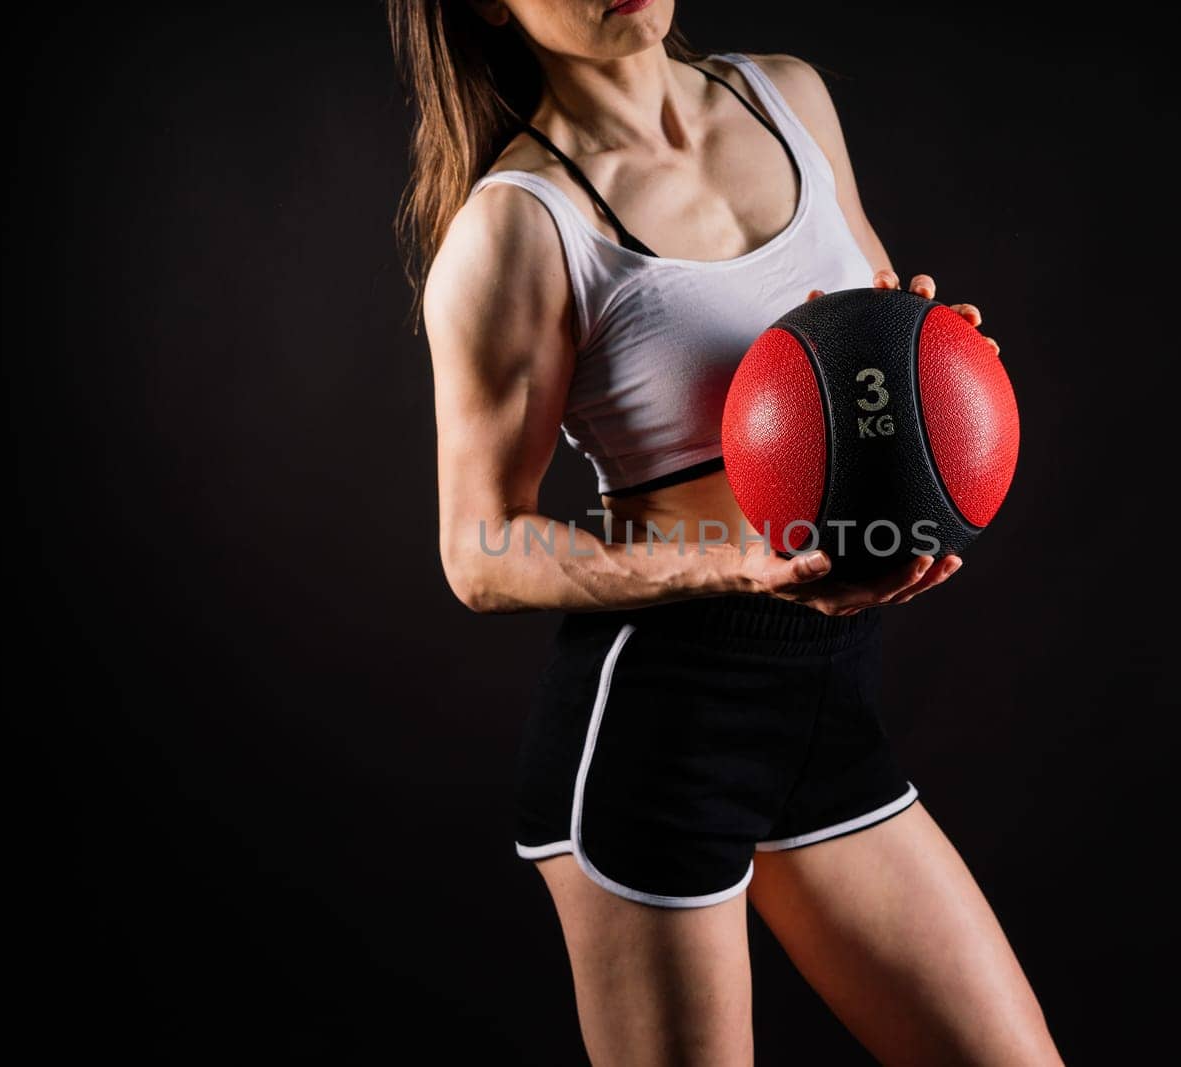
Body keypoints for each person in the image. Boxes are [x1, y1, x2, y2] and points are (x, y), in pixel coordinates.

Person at [388, 1, 1065, 1062]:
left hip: (823, 699)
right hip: (659, 729)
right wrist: (733, 565)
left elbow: (871, 326)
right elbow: (479, 550)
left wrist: (930, 354)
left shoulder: (788, 98)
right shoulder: (519, 224)